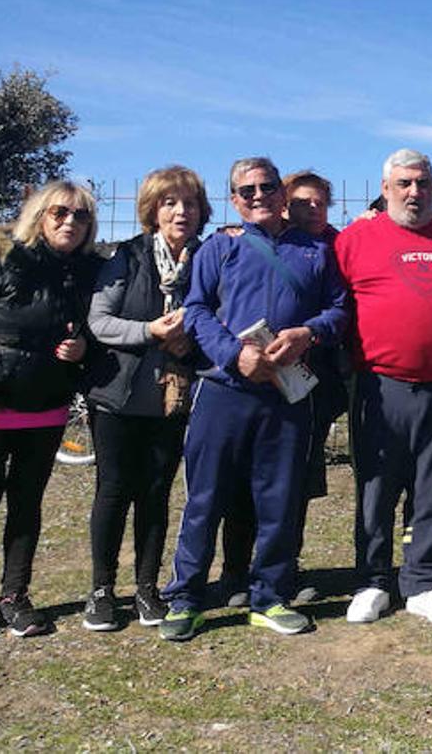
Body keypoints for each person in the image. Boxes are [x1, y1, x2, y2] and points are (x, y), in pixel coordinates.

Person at [160, 157, 348, 641]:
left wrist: (309, 332)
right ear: (233, 200)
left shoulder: (316, 251)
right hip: (224, 390)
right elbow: (196, 308)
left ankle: (269, 596)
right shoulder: (218, 247)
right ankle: (186, 598)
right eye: (247, 191)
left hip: (287, 394)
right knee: (205, 497)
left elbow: (340, 309)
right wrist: (231, 355)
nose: (258, 196)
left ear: (282, 196)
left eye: (267, 187)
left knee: (280, 499)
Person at [0, 180, 102, 642]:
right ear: (39, 215)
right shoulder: (0, 259)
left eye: (81, 215)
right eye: (60, 213)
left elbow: (97, 328)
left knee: (26, 505)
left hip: (47, 405)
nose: (70, 222)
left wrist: (82, 348)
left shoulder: (87, 271)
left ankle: (15, 597)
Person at [339, 149, 432, 627]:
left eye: (423, 183)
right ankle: (373, 579)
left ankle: (424, 580)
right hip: (379, 386)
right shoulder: (356, 238)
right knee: (376, 488)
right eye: (404, 184)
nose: (414, 192)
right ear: (385, 187)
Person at [81, 166, 210, 632]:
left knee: (156, 493)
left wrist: (189, 342)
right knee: (113, 492)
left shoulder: (210, 259)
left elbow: (219, 318)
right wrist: (150, 332)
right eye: (170, 203)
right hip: (117, 394)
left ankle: (148, 589)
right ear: (152, 211)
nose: (181, 211)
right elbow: (100, 321)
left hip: (173, 399)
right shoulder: (127, 257)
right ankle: (101, 591)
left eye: (190, 203)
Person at [218, 169, 343, 608]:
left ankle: (283, 567)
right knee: (243, 480)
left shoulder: (334, 248)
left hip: (313, 382)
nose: (312, 209)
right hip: (254, 377)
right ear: (286, 203)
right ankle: (235, 570)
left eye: (320, 203)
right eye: (302, 202)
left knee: (296, 481)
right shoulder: (257, 244)